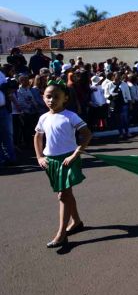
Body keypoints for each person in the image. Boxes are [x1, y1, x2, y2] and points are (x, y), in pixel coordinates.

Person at [34, 84, 92, 248]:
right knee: (66, 194)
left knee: (62, 195)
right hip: (50, 161)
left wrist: (76, 154)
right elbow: (38, 137)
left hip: (68, 160)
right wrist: (39, 157)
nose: (51, 100)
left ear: (65, 98)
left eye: (55, 96)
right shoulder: (43, 117)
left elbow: (87, 134)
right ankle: (77, 222)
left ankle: (61, 234)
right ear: (43, 97)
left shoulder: (70, 116)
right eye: (48, 96)